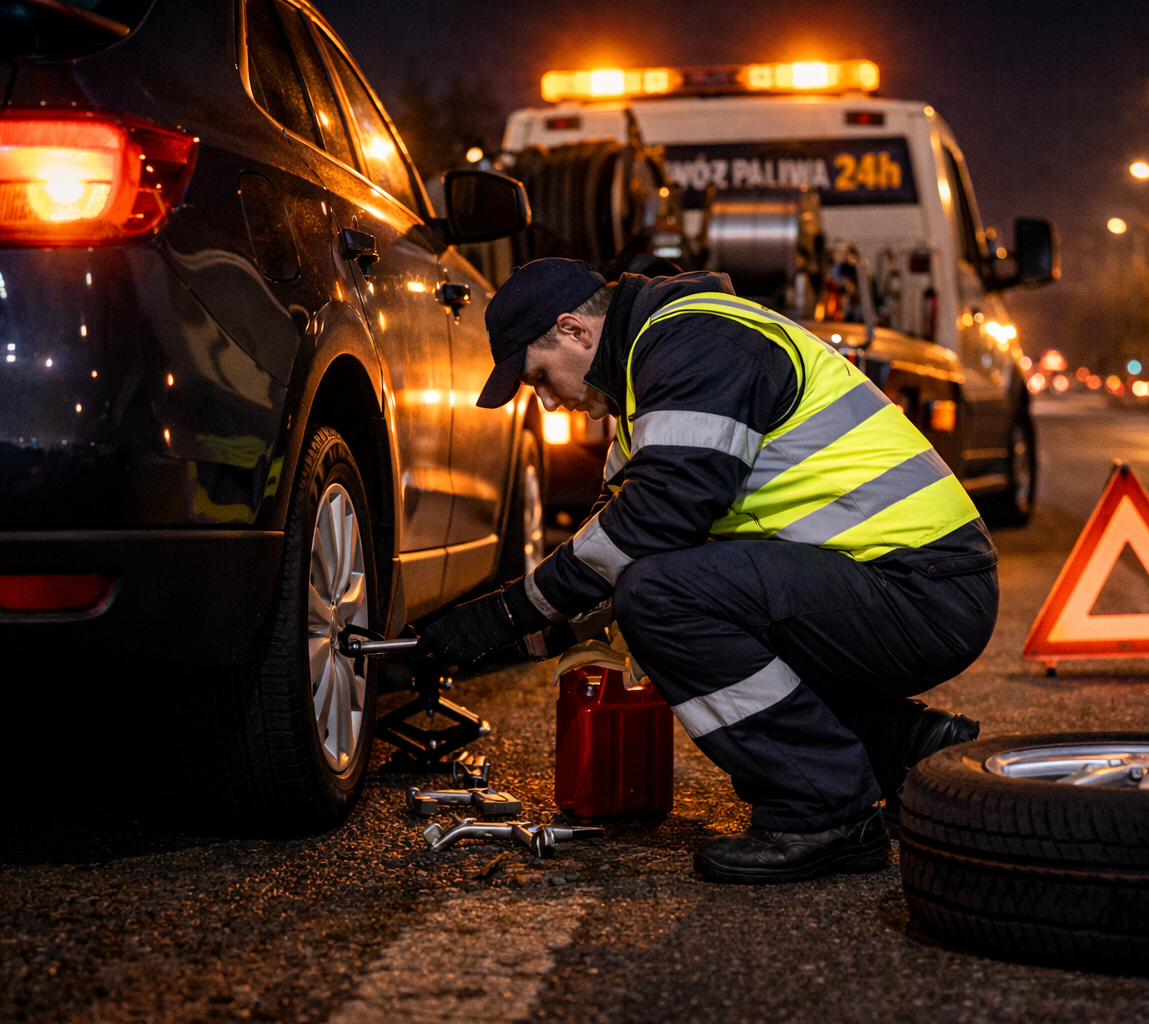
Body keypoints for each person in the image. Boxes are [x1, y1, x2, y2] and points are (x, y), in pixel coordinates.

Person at [414, 258, 998, 884]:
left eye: (537, 379)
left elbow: (652, 525)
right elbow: (613, 547)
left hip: (923, 588)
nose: (550, 403)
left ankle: (824, 811)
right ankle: (902, 751)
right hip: (896, 582)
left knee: (663, 601)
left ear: (575, 331)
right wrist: (502, 640)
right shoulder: (649, 384)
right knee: (666, 598)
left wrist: (499, 615)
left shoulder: (693, 344)